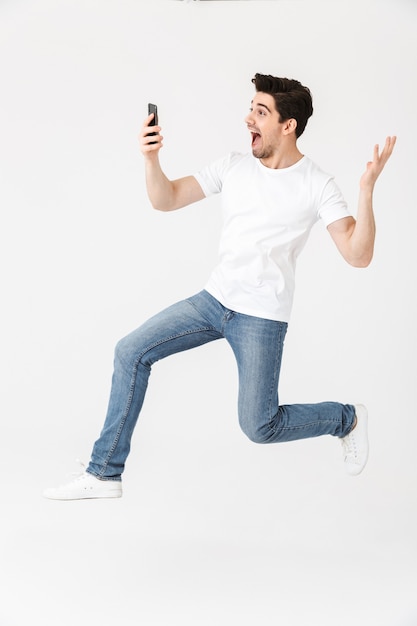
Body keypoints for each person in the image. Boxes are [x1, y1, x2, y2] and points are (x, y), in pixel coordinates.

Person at [44, 73, 396, 500]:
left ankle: (345, 419)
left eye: (260, 112)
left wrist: (366, 191)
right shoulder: (234, 165)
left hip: (261, 318)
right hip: (214, 302)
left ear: (288, 126)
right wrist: (151, 158)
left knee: (259, 427)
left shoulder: (317, 184)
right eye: (251, 107)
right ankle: (105, 473)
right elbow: (166, 199)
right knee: (130, 351)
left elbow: (358, 255)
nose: (248, 118)